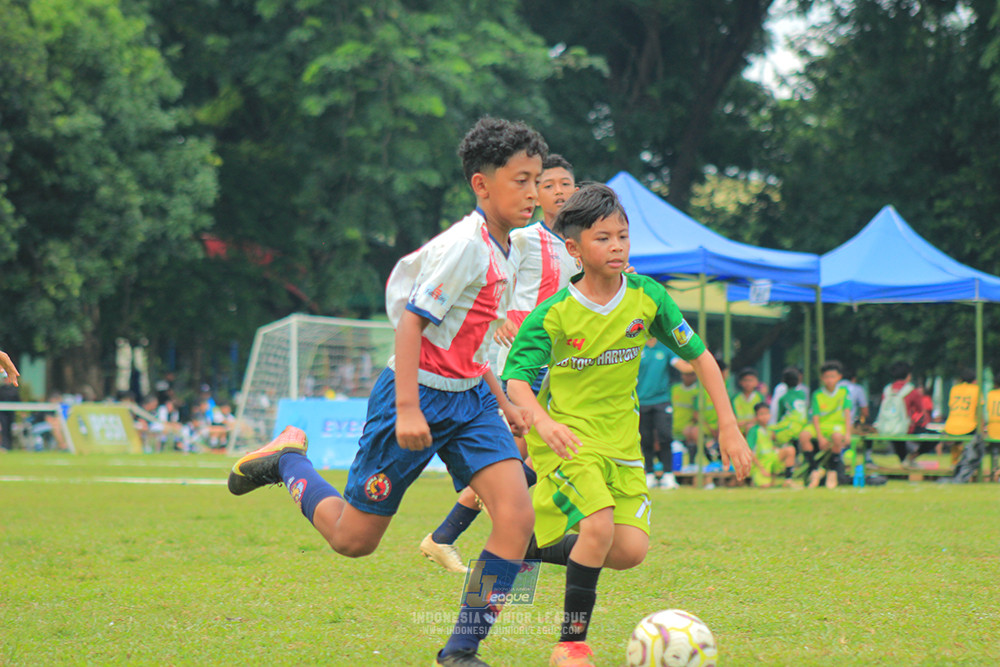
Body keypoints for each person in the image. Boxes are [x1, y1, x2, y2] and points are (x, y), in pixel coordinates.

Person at [227, 117, 548, 667]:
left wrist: (503, 402)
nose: (533, 193)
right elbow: (411, 324)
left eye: (536, 180)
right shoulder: (466, 246)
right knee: (353, 540)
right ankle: (287, 461)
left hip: (470, 399)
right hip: (417, 393)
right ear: (481, 184)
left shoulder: (508, 249)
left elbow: (470, 340)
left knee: (516, 517)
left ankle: (460, 651)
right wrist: (406, 408)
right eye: (521, 180)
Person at [502, 183, 752, 667]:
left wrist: (729, 426)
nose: (616, 246)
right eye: (603, 238)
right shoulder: (552, 315)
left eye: (622, 236)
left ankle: (527, 545)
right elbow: (516, 383)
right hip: (568, 441)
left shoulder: (647, 298)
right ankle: (570, 645)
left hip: (622, 444)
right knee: (597, 524)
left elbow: (701, 358)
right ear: (574, 249)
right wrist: (543, 423)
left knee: (630, 551)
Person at [419, 153, 580, 574]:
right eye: (548, 185)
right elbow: (495, 282)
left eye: (565, 184)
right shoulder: (523, 239)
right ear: (535, 195)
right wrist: (502, 317)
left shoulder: (579, 247)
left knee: (525, 462)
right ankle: (507, 546)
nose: (558, 191)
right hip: (520, 365)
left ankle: (451, 539)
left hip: (559, 367)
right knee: (518, 462)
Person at [635, 338, 691, 489]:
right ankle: (649, 474)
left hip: (662, 401)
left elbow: (684, 367)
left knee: (665, 437)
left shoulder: (665, 349)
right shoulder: (638, 347)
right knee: (645, 439)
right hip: (642, 401)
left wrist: (702, 360)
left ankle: (668, 474)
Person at [799, 360, 852, 489]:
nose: (829, 380)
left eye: (832, 376)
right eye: (827, 377)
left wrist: (848, 433)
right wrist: (820, 437)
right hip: (820, 426)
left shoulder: (844, 392)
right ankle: (814, 470)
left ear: (839, 377)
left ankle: (832, 472)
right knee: (804, 436)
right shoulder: (817, 394)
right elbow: (815, 417)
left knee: (837, 437)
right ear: (822, 378)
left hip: (836, 425)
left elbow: (847, 414)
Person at [747, 403, 796, 487]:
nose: (765, 417)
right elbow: (749, 451)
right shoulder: (753, 430)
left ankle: (788, 479)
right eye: (761, 414)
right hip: (761, 462)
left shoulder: (770, 429)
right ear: (756, 416)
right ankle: (756, 478)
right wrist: (761, 468)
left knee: (790, 449)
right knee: (765, 486)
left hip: (772, 458)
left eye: (767, 413)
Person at [943, 367, 980, 466]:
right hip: (968, 426)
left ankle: (954, 462)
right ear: (974, 380)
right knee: (977, 441)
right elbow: (979, 412)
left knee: (957, 441)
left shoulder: (954, 389)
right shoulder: (976, 389)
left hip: (951, 426)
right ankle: (970, 464)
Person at [770, 366, 808, 450]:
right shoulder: (802, 393)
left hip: (790, 426)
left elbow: (778, 413)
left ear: (783, 381)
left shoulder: (784, 397)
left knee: (769, 432)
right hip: (803, 424)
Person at [670, 366, 700, 465]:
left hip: (687, 428)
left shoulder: (698, 391)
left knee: (694, 432)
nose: (688, 377)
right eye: (686, 374)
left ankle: (692, 462)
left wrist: (691, 424)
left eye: (691, 374)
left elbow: (697, 413)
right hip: (672, 425)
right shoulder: (674, 389)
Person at [732, 367, 766, 434]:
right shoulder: (734, 399)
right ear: (740, 382)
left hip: (755, 432)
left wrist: (746, 423)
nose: (748, 383)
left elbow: (763, 417)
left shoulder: (760, 398)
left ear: (756, 382)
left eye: (751, 380)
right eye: (745, 380)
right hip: (737, 432)